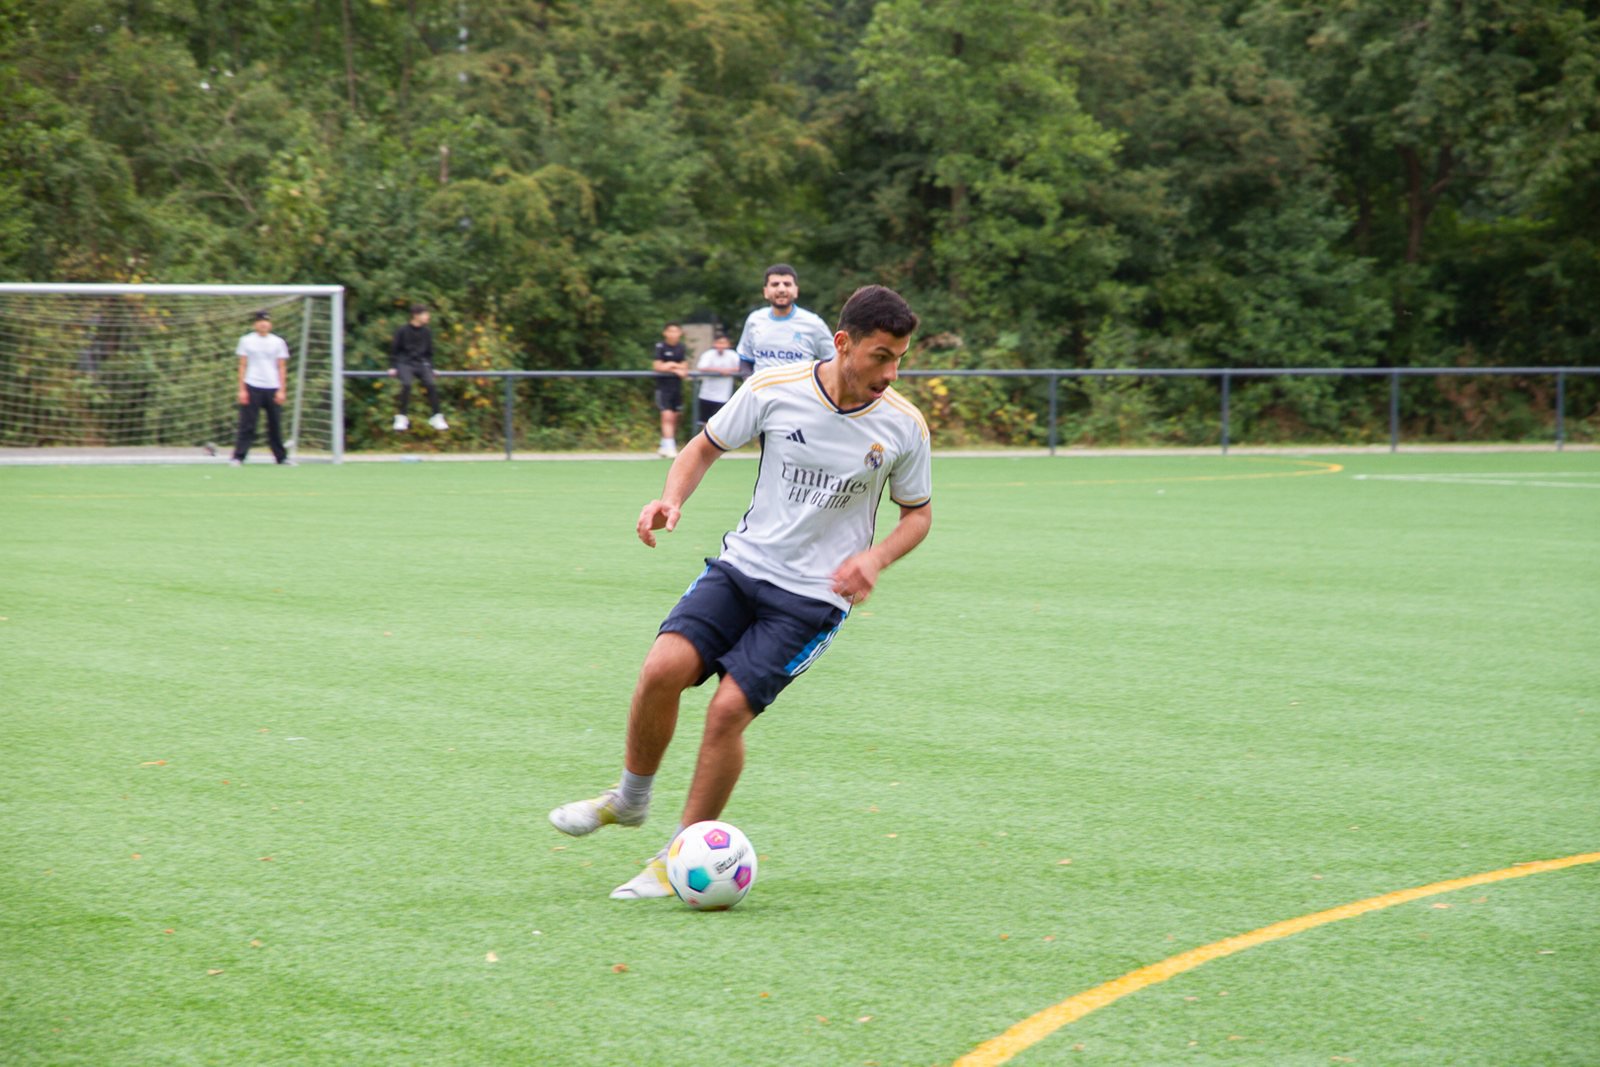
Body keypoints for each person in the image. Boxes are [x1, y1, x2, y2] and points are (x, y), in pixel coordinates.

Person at [549, 285, 932, 900]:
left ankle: (676, 857)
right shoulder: (773, 389)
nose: (890, 373)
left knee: (727, 711)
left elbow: (918, 515)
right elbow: (703, 447)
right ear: (843, 343)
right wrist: (671, 498)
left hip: (814, 598)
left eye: (899, 359)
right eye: (881, 356)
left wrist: (875, 558)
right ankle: (629, 799)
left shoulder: (904, 425)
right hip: (742, 567)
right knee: (661, 669)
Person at [734, 263, 836, 374]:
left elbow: (833, 360)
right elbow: (745, 359)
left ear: (796, 291)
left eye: (787, 284)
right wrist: (749, 381)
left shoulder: (814, 323)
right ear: (765, 292)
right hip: (762, 386)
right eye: (775, 284)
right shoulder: (754, 320)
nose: (781, 289)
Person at [229, 311, 293, 466]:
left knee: (275, 424)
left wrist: (282, 390)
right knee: (247, 424)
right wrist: (242, 390)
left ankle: (281, 458)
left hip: (273, 387)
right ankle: (238, 457)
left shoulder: (278, 342)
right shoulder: (246, 340)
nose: (263, 324)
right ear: (255, 324)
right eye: (260, 321)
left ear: (270, 324)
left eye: (266, 321)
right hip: (252, 385)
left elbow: (281, 367)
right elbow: (242, 365)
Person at [389, 303, 448, 432]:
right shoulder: (402, 330)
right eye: (425, 314)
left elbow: (429, 353)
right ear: (416, 315)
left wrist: (432, 368)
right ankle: (402, 417)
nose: (428, 317)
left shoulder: (427, 332)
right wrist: (393, 366)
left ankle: (436, 416)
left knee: (431, 384)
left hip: (421, 363)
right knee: (407, 384)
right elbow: (394, 349)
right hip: (405, 363)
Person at [651, 322, 689, 457]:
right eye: (670, 331)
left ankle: (664, 446)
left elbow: (685, 367)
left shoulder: (681, 347)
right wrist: (674, 366)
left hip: (676, 388)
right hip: (663, 388)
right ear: (665, 333)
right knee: (666, 416)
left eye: (676, 331)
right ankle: (671, 448)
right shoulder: (660, 347)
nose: (673, 334)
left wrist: (672, 367)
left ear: (680, 333)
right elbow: (657, 366)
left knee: (674, 417)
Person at [693, 332, 741, 427]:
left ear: (728, 344)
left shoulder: (732, 355)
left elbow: (740, 368)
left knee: (721, 423)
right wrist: (720, 370)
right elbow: (702, 367)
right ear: (714, 344)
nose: (721, 346)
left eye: (724, 343)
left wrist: (728, 371)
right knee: (705, 423)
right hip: (706, 395)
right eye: (719, 343)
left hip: (723, 396)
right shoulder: (708, 354)